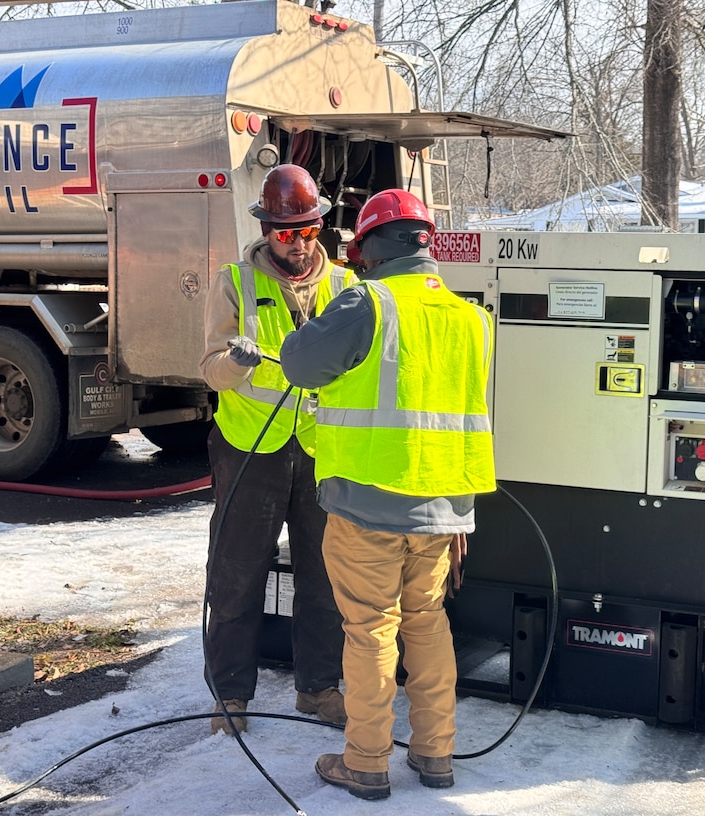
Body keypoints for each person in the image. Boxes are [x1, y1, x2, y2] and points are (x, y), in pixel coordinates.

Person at [279, 188, 496, 800]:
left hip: (367, 501)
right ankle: (435, 755)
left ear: (367, 246)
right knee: (427, 624)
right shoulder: (470, 315)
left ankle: (367, 761)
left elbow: (299, 366)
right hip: (444, 507)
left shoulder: (367, 300)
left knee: (371, 631)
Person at [199, 164, 350, 735]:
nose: (299, 243)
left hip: (319, 449)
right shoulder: (233, 283)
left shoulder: (344, 289)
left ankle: (319, 688)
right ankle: (231, 696)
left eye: (308, 231)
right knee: (238, 574)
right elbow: (210, 371)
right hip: (249, 450)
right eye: (286, 233)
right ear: (266, 229)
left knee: (324, 575)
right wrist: (234, 361)